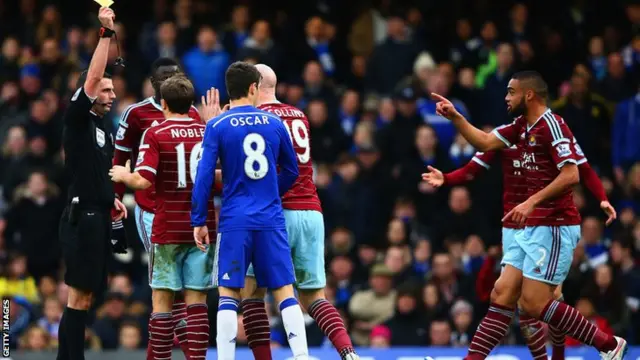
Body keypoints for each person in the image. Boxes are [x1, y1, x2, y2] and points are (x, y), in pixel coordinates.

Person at [431, 70, 628, 360]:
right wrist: (457, 117)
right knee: (502, 295)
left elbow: (573, 173)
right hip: (529, 226)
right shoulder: (520, 126)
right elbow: (485, 143)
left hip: (554, 224)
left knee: (535, 304)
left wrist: (530, 203)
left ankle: (609, 345)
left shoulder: (553, 125)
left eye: (511, 91)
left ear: (529, 95)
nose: (506, 97)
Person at [237, 64, 359, 360]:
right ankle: (348, 352)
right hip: (311, 212)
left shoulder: (256, 119)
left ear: (252, 87)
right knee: (313, 296)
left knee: (252, 292)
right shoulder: (298, 114)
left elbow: (254, 170)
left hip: (276, 214)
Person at [191, 61, 307, 360]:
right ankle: (302, 356)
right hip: (270, 217)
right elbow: (293, 170)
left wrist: (199, 220)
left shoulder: (217, 125)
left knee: (229, 292)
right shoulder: (274, 123)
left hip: (234, 219)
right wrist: (269, 190)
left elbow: (204, 177)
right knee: (283, 290)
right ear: (254, 87)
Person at [109, 75, 216, 360]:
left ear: (164, 103)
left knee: (162, 302)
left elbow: (144, 181)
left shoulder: (155, 133)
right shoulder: (207, 130)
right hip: (201, 225)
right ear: (190, 103)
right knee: (196, 302)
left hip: (167, 225)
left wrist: (123, 175)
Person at [57, 7, 128, 360]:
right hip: (81, 218)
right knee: (77, 296)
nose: (112, 94)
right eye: (106, 89)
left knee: (83, 298)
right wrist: (105, 35)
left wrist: (110, 200)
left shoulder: (105, 127)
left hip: (97, 215)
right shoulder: (78, 119)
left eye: (114, 89)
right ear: (89, 92)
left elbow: (99, 172)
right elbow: (93, 77)